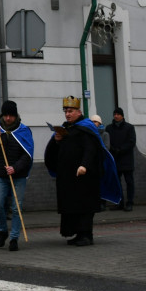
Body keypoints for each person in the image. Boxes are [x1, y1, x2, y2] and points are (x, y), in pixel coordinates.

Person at [44, 96, 121, 247]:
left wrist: (84, 165)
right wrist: (57, 140)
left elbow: (91, 149)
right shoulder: (65, 129)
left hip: (85, 176)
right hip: (69, 177)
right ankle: (78, 234)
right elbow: (58, 151)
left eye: (71, 111)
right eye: (66, 111)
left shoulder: (87, 127)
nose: (67, 114)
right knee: (73, 206)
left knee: (85, 206)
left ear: (79, 112)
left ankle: (87, 235)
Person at [0, 101, 33, 251]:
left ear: (16, 116)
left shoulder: (24, 131)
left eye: (11, 116)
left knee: (16, 208)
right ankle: (2, 230)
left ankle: (14, 238)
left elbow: (27, 155)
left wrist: (15, 168)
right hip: (0, 174)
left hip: (18, 175)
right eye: (6, 115)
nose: (8, 119)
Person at [105, 107, 136, 211]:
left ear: (122, 116)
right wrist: (114, 149)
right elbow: (108, 142)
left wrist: (121, 149)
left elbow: (132, 142)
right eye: (115, 114)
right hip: (115, 159)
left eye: (118, 114)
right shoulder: (109, 128)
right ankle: (120, 202)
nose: (116, 116)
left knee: (129, 182)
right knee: (117, 183)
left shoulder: (129, 127)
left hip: (126, 159)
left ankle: (130, 203)